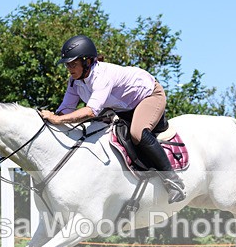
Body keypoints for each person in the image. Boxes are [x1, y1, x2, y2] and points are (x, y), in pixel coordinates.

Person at [40, 35, 185, 203]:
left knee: (137, 133)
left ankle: (173, 181)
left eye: (73, 64)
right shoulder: (74, 82)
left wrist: (58, 120)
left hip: (149, 95)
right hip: (122, 107)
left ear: (86, 62)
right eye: (67, 64)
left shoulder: (102, 75)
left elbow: (91, 112)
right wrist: (51, 119)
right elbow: (65, 110)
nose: (69, 68)